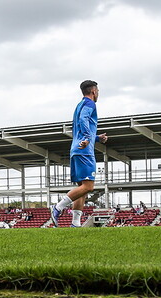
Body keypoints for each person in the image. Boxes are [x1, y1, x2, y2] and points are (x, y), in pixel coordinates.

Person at [51, 80, 108, 228]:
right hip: (84, 151)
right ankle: (58, 207)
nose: (98, 94)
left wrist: (96, 138)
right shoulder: (90, 104)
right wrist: (88, 138)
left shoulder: (79, 105)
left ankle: (75, 224)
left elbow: (80, 126)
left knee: (82, 189)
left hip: (76, 149)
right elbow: (84, 120)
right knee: (88, 186)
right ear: (94, 91)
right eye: (98, 91)